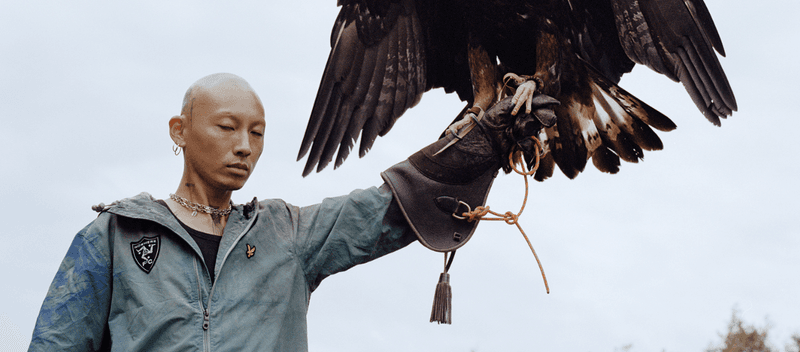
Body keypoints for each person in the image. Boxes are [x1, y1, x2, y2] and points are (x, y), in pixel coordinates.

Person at [28, 72, 556, 351]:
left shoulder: (288, 235)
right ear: (180, 130)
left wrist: (480, 144)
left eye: (257, 133)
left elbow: (386, 210)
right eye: (226, 127)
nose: (245, 146)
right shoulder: (114, 239)